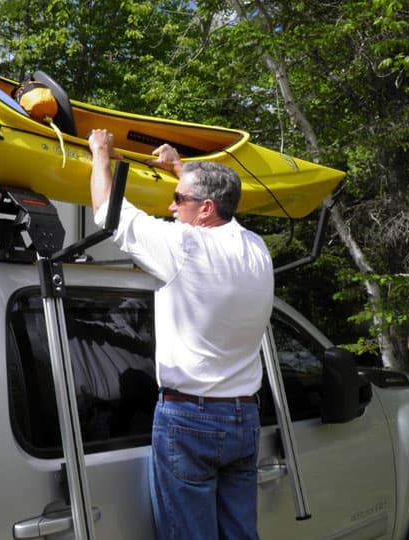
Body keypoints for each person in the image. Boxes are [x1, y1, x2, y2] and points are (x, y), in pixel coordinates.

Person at [88, 129, 274, 540]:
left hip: (191, 420)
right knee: (240, 534)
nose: (170, 207)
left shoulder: (185, 246)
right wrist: (178, 168)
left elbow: (106, 212)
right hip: (243, 419)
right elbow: (207, 201)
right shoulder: (256, 247)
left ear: (206, 208)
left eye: (178, 199)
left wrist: (100, 152)